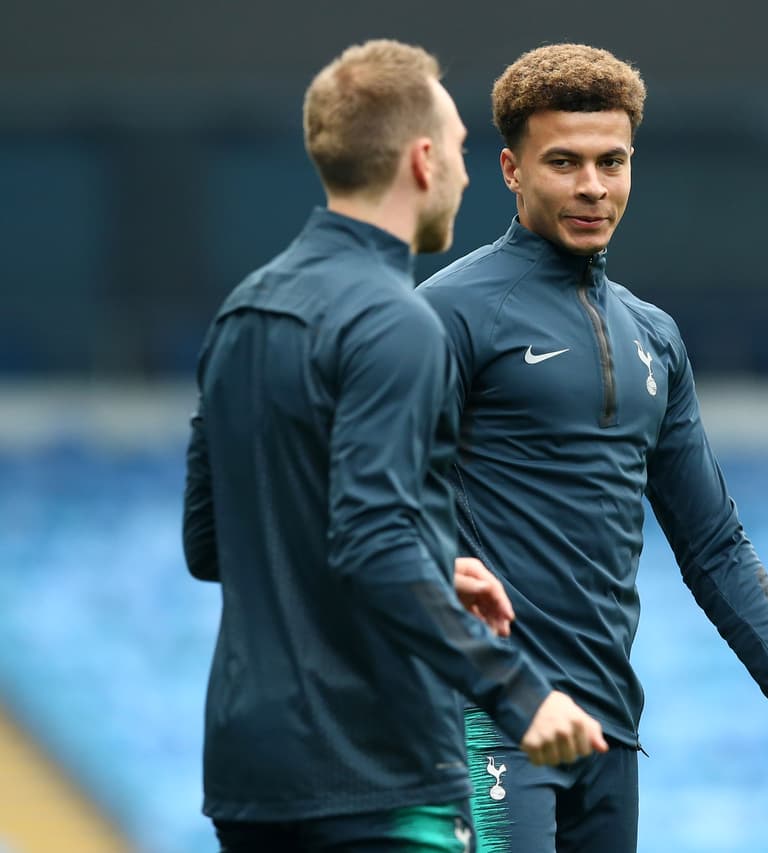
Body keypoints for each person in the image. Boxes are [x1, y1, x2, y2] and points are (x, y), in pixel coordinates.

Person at [418, 43, 768, 853]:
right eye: (564, 162)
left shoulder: (654, 338)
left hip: (607, 735)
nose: (593, 187)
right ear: (509, 168)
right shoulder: (447, 315)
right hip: (484, 719)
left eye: (612, 161)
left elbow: (713, 544)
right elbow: (364, 507)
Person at [181, 40, 607, 853]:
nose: (467, 172)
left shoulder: (243, 311)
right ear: (420, 160)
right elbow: (374, 543)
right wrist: (519, 693)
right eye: (457, 150)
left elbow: (213, 542)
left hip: (248, 777)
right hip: (377, 774)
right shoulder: (397, 323)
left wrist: (432, 566)